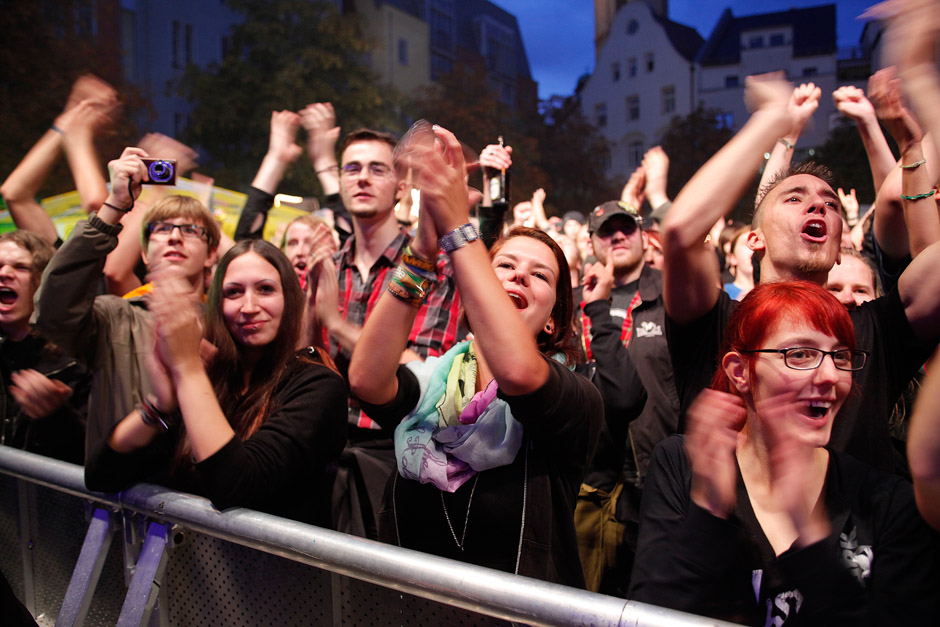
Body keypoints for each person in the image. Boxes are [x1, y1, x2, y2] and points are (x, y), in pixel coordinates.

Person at [347, 125, 602, 586]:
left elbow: (518, 372)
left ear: (551, 320)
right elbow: (366, 379)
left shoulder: (576, 398)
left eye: (539, 276)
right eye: (504, 266)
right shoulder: (432, 385)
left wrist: (458, 226)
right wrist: (424, 248)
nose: (519, 276)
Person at [662, 73, 940, 473]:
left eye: (831, 204)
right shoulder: (718, 323)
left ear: (842, 250)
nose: (818, 207)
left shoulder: (877, 332)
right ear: (754, 240)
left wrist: (913, 146)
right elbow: (680, 233)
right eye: (795, 198)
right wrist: (771, 121)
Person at [630, 281, 940, 625]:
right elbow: (649, 615)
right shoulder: (682, 465)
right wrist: (709, 513)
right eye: (800, 354)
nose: (830, 375)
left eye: (840, 356)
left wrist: (809, 542)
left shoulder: (886, 501)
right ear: (740, 371)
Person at [85, 240, 347, 524]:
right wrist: (159, 407)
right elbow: (101, 475)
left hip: (272, 566)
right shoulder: (213, 378)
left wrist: (187, 369)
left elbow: (236, 488)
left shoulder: (318, 384)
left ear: (290, 299)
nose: (249, 306)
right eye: (233, 292)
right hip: (188, 563)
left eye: (265, 289)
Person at [307, 127, 461, 538]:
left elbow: (426, 372)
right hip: (323, 449)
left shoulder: (431, 265)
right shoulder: (329, 266)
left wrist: (336, 324)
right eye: (352, 168)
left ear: (400, 186)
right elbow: (304, 363)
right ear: (339, 181)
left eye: (377, 169)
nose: (362, 177)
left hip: (394, 452)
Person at [36, 147, 221, 461]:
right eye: (162, 229)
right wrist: (115, 206)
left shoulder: (228, 325)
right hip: (120, 496)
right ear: (146, 253)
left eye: (190, 230)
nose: (175, 237)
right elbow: (53, 309)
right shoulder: (114, 316)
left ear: (211, 254)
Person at [0, 231, 90, 463]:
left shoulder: (75, 362)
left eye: (20, 267)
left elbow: (94, 461)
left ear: (43, 283)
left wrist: (56, 417)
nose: (4, 273)